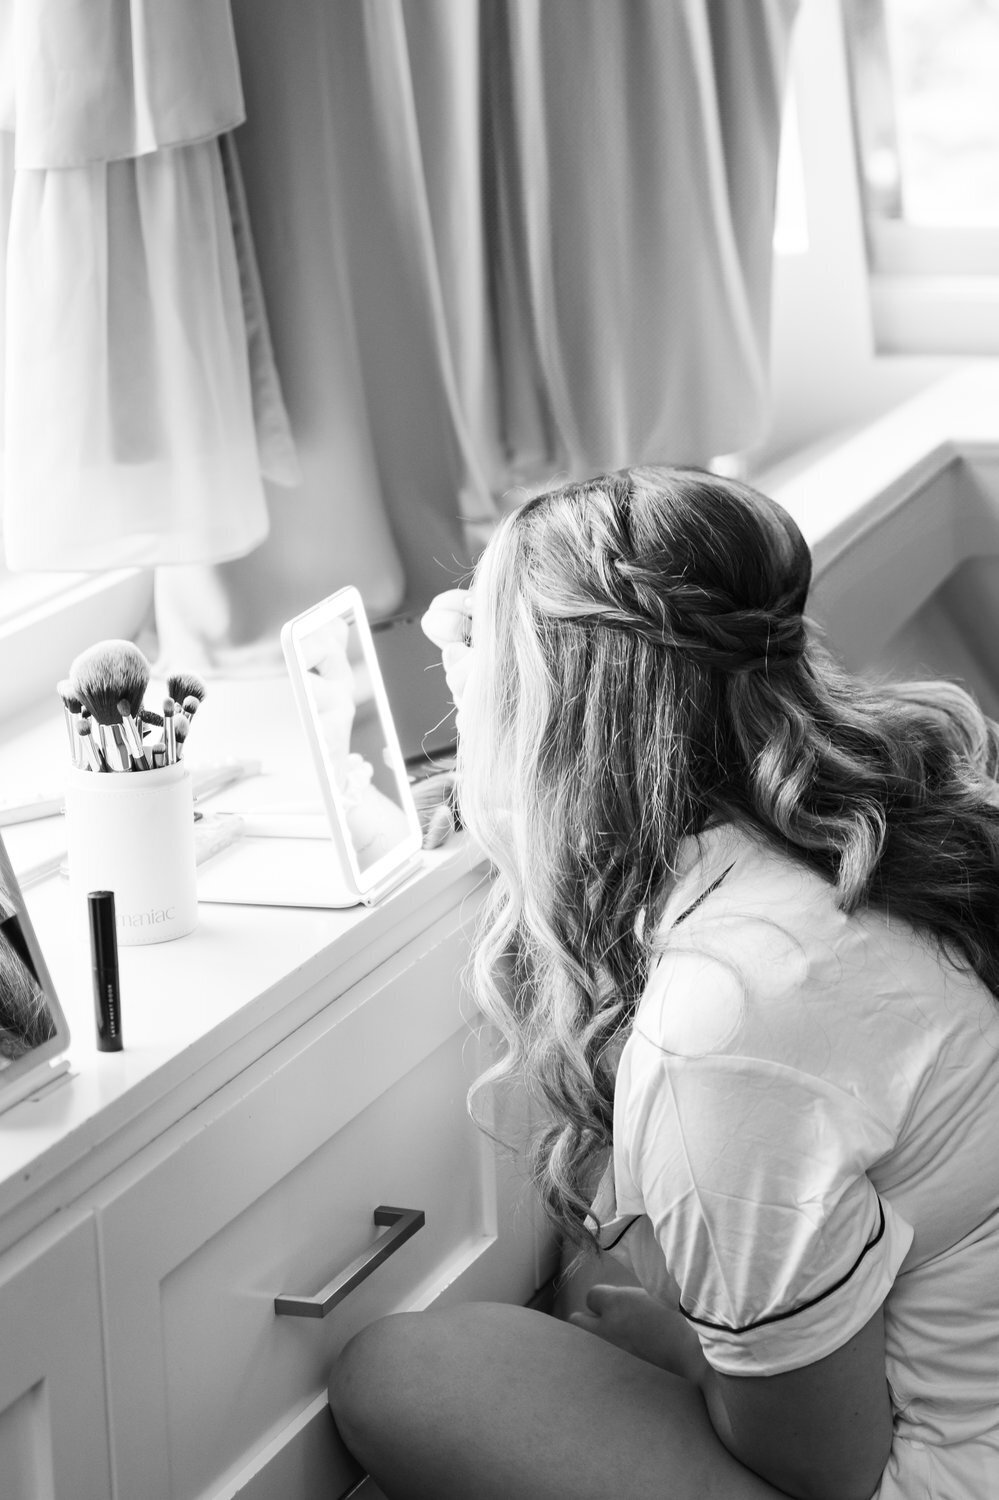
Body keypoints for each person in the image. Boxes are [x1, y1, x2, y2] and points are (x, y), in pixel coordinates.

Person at [328, 465, 999, 1498]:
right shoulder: (877, 837)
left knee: (407, 1371)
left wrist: (690, 1360)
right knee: (605, 1273)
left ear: (549, 729)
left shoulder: (726, 1020)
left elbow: (823, 1468)